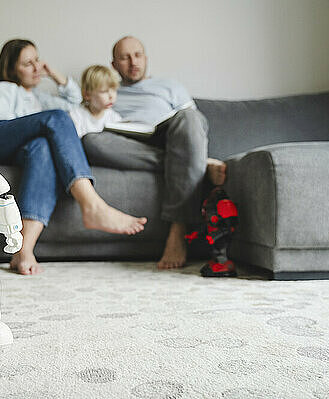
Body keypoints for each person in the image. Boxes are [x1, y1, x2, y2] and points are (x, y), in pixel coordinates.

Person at [0, 39, 147, 275]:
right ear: (12, 69)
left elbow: (78, 101)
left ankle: (23, 249)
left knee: (42, 147)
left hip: (20, 151)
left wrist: (53, 75)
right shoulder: (4, 89)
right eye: (28, 63)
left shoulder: (40, 97)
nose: (37, 67)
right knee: (56, 118)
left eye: (38, 60)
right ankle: (92, 205)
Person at [85, 36, 226, 270]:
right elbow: (79, 105)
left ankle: (178, 228)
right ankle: (198, 164)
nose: (133, 62)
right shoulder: (108, 90)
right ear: (113, 65)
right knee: (91, 141)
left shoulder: (169, 86)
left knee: (189, 117)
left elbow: (196, 127)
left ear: (146, 58)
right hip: (131, 143)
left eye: (138, 55)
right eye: (124, 57)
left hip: (168, 135)